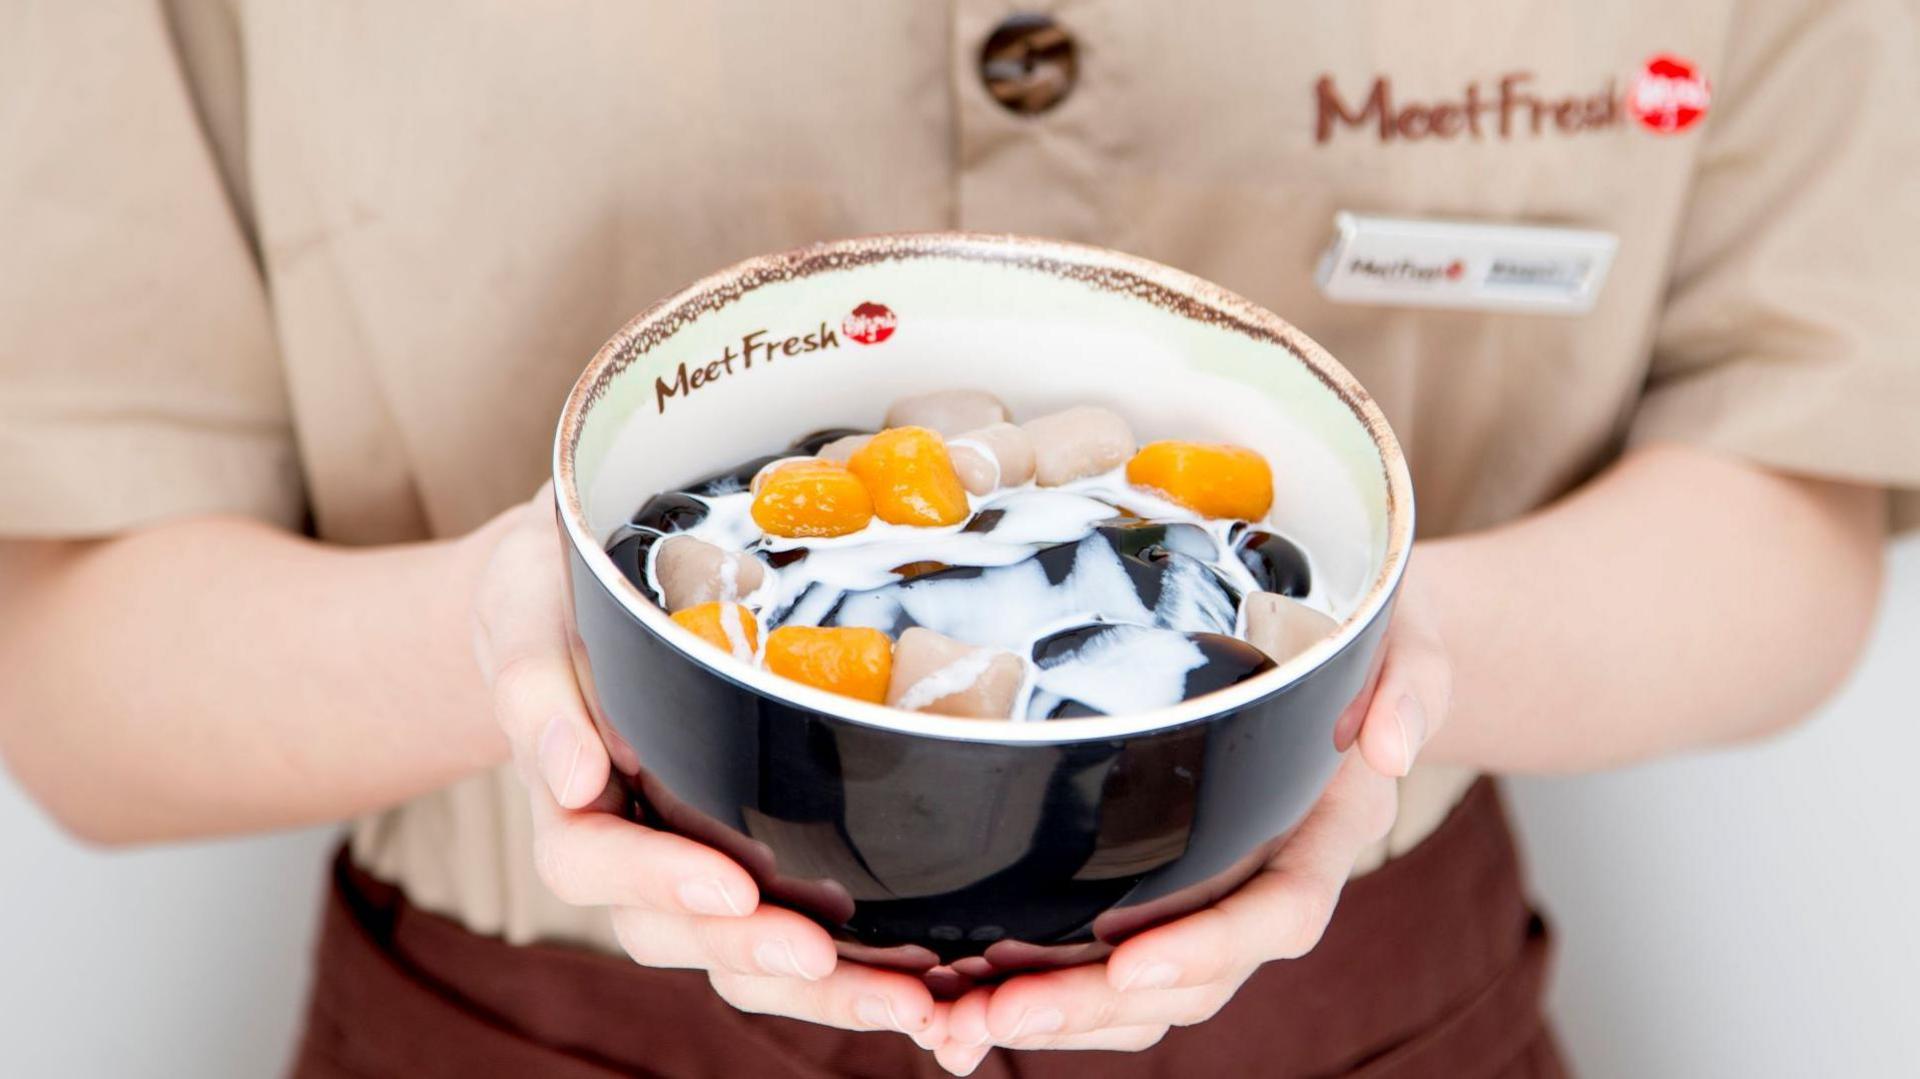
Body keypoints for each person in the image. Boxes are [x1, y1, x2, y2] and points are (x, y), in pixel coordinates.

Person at [3, 3, 1916, 1076]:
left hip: (1371, 1028)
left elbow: (1790, 489)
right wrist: (546, 647)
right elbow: (86, 682)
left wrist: (1389, 674)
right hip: (531, 1034)